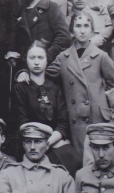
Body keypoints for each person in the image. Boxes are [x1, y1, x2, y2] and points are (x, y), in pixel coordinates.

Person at [50, 10, 114, 152]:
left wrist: (108, 111)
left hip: (97, 117)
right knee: (80, 156)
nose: (82, 31)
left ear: (92, 31)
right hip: (74, 117)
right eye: (78, 26)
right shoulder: (63, 58)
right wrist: (24, 73)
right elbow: (46, 75)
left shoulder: (101, 56)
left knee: (98, 152)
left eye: (86, 26)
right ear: (71, 31)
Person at [13, 42, 75, 171]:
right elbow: (23, 122)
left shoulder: (56, 88)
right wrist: (41, 142)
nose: (36, 62)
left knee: (73, 160)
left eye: (40, 58)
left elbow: (63, 123)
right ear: (26, 60)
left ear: (47, 60)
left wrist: (49, 142)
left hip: (53, 142)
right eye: (32, 58)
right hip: (30, 143)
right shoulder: (20, 88)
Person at [17, 0, 70, 66]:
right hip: (23, 67)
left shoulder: (51, 8)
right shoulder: (19, 10)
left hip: (47, 65)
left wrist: (47, 55)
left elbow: (64, 37)